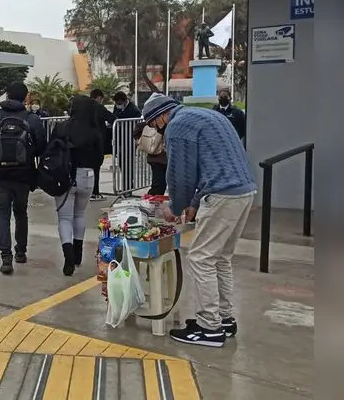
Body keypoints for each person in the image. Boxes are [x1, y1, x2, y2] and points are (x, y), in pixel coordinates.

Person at [140, 93, 257, 348]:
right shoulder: (207, 115)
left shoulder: (178, 127)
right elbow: (208, 167)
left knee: (201, 258)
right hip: (243, 191)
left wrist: (176, 207)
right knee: (220, 258)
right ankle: (224, 319)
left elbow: (181, 174)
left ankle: (209, 327)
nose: (154, 130)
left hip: (222, 194)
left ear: (160, 117)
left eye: (151, 124)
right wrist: (193, 206)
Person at [0, 81, 46, 275]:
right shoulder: (31, 118)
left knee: (3, 214)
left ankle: (6, 258)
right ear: (25, 97)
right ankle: (21, 251)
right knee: (21, 212)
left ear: (6, 95)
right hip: (23, 174)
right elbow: (41, 145)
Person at [52, 95, 104, 276]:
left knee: (64, 217)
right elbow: (99, 158)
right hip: (87, 175)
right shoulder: (95, 130)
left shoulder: (61, 127)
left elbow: (51, 151)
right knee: (80, 213)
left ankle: (68, 255)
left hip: (64, 176)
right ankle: (78, 252)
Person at [88, 89, 115, 201]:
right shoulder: (98, 107)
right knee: (96, 168)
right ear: (99, 98)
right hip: (97, 142)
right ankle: (95, 192)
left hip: (84, 142)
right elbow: (112, 118)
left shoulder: (84, 108)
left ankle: (86, 192)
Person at [133, 119, 167, 198]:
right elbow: (137, 131)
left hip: (159, 158)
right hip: (158, 159)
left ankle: (152, 203)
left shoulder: (154, 122)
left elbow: (136, 131)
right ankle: (151, 203)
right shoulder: (153, 123)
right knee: (159, 186)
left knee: (159, 185)